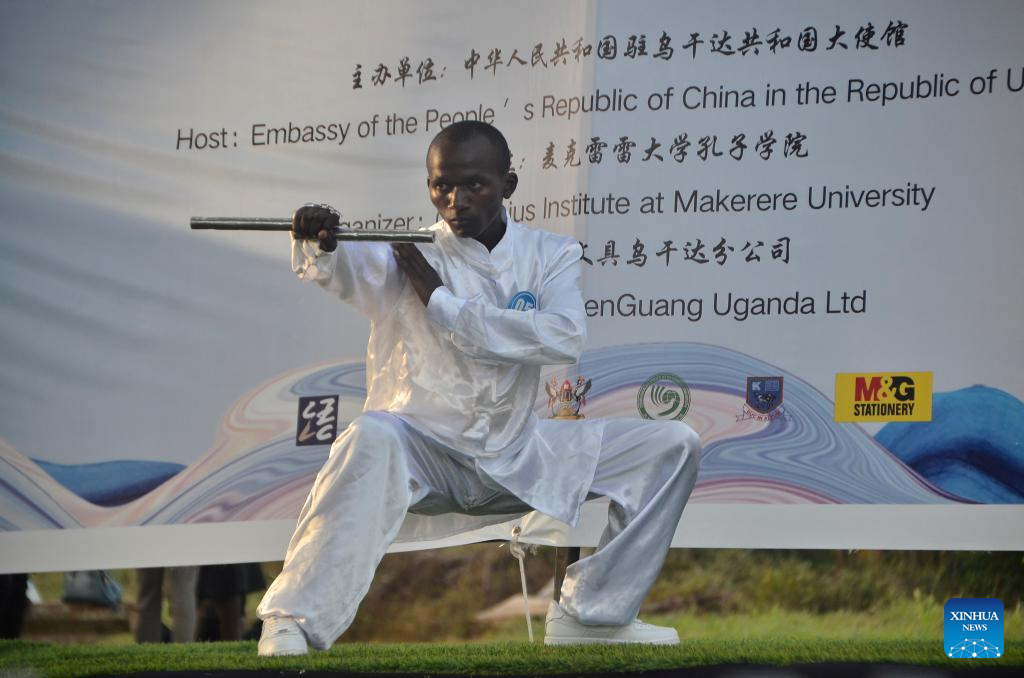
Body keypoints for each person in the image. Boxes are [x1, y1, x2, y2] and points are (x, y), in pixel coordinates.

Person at [256, 121, 701, 656]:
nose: (454, 199)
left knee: (673, 445)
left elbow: (564, 336)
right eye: (441, 185)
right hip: (425, 457)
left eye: (473, 185)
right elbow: (346, 266)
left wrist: (444, 304)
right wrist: (320, 241)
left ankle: (594, 616)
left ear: (507, 185)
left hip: (518, 456)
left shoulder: (549, 254)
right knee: (369, 434)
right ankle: (291, 620)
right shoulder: (407, 254)